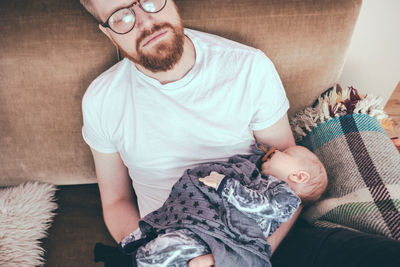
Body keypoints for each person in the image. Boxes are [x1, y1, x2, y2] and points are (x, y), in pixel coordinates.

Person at [80, 0, 299, 265]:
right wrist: (160, 257)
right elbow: (116, 201)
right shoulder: (101, 99)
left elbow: (291, 183)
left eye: (149, 0)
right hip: (170, 245)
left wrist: (243, 259)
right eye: (120, 17)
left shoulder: (249, 67)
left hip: (254, 237)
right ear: (108, 32)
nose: (145, 22)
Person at [94, 144, 327, 266]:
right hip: (209, 227)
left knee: (179, 248)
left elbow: (261, 207)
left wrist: (226, 185)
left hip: (234, 239)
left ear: (299, 177)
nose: (275, 151)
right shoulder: (262, 178)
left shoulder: (286, 197)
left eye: (285, 153)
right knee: (169, 246)